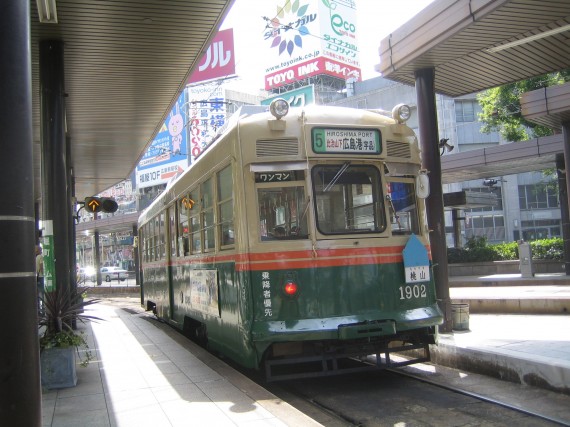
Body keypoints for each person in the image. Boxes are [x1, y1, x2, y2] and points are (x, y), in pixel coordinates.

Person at [35, 245, 44, 314]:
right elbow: (41, 266)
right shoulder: (40, 257)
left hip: (37, 277)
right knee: (43, 294)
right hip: (41, 277)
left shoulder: (35, 257)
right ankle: (43, 310)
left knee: (38, 293)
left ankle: (38, 310)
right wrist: (44, 273)